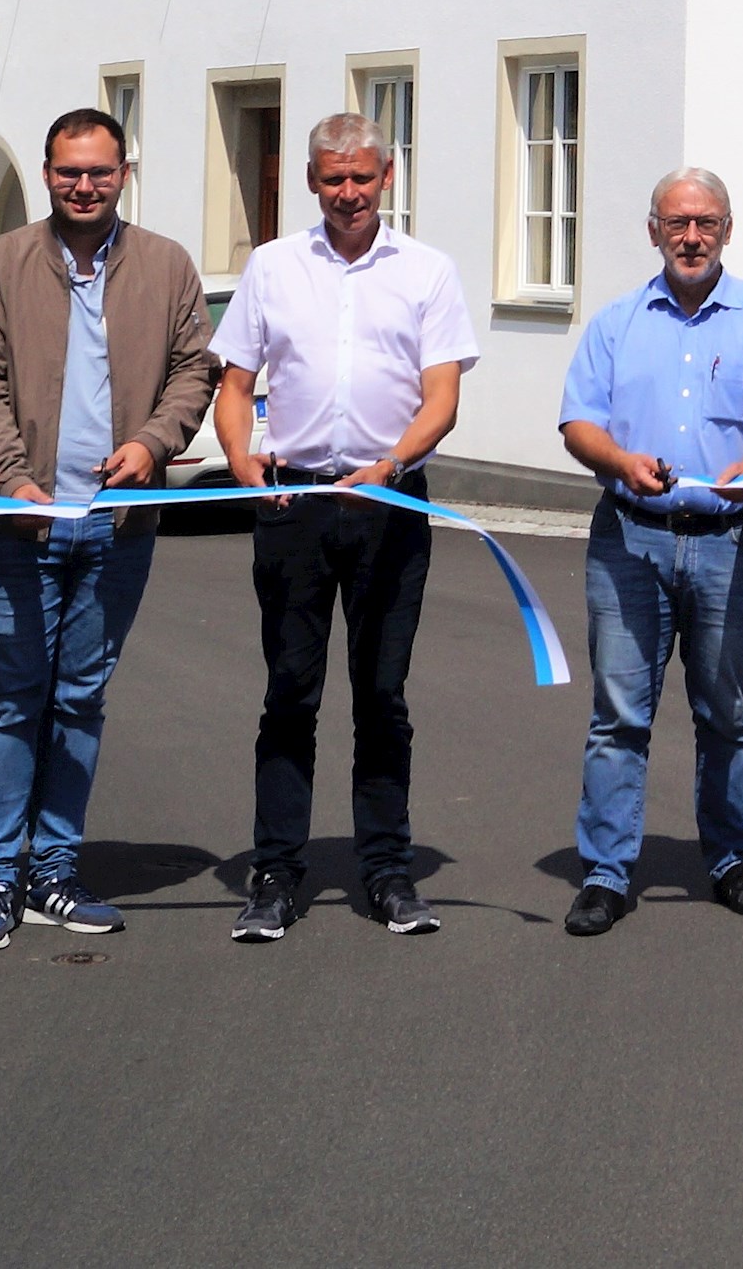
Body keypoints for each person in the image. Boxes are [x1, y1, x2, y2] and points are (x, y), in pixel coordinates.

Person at [0, 107, 219, 951]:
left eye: (100, 170)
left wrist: (153, 442)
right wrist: (10, 473)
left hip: (117, 526)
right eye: (70, 171)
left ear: (123, 173)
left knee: (78, 700)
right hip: (14, 525)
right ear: (48, 172)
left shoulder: (167, 265)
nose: (85, 184)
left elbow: (194, 369)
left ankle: (53, 869)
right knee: (7, 697)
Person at [213, 112, 479, 943]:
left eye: (363, 177)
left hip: (389, 505)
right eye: (334, 178)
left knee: (382, 694)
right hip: (292, 505)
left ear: (388, 176)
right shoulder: (272, 266)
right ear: (311, 181)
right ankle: (276, 874)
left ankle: (388, 871)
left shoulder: (428, 272)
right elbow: (235, 382)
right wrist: (238, 454)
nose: (349, 192)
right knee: (289, 693)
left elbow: (441, 397)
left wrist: (393, 464)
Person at [553, 169, 743, 936]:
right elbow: (578, 424)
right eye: (677, 223)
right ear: (654, 230)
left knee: (726, 713)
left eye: (705, 222)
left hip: (732, 541)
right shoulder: (615, 324)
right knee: (619, 715)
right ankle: (605, 869)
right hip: (631, 538)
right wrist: (619, 462)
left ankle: (730, 858)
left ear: (727, 228)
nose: (691, 236)